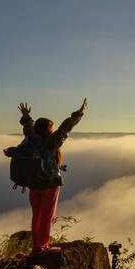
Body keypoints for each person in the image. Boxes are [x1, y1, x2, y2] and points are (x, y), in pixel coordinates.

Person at [17, 98, 87, 256]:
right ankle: (42, 246)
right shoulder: (51, 142)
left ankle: (36, 246)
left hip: (33, 185)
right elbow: (65, 128)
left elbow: (28, 128)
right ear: (48, 129)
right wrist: (79, 113)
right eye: (51, 127)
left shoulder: (31, 139)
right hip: (49, 185)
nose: (53, 130)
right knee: (47, 217)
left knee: (37, 217)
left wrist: (26, 116)